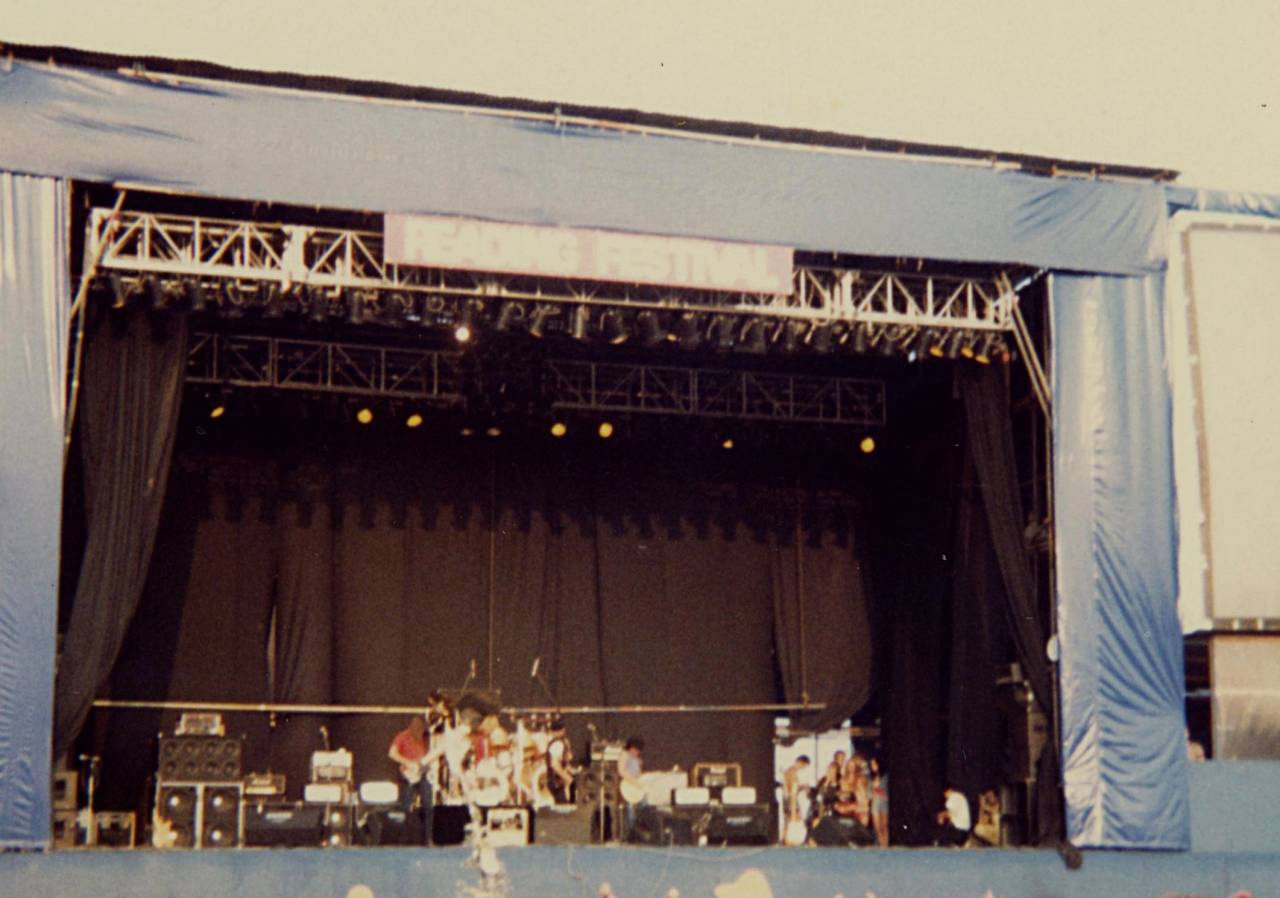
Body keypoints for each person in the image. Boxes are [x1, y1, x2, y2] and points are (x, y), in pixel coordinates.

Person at [388, 715, 437, 845]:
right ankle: (403, 839)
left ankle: (428, 838)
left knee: (428, 805)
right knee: (405, 806)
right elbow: (392, 753)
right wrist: (408, 763)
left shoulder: (427, 738)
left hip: (423, 773)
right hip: (407, 774)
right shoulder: (402, 736)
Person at [618, 736, 645, 839]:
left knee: (643, 805)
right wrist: (632, 780)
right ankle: (630, 833)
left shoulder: (637, 758)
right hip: (627, 785)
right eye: (635, 749)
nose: (636, 752)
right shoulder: (625, 755)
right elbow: (621, 771)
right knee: (629, 809)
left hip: (637, 786)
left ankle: (640, 831)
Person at [781, 755, 811, 844]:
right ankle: (789, 839)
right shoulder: (792, 772)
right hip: (791, 799)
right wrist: (803, 786)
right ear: (801, 763)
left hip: (787, 798)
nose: (803, 768)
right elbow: (792, 788)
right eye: (804, 766)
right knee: (794, 817)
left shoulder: (789, 771)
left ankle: (784, 838)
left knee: (788, 819)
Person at [545, 717, 575, 804]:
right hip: (557, 782)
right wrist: (567, 778)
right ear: (562, 730)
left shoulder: (554, 743)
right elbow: (554, 764)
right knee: (563, 807)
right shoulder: (558, 744)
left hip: (556, 780)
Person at [868, 755, 889, 847]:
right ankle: (880, 844)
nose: (873, 766)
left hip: (884, 803)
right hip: (875, 803)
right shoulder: (870, 778)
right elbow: (869, 792)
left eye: (874, 764)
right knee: (877, 828)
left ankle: (885, 845)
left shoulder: (885, 777)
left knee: (884, 826)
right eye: (871, 764)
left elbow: (885, 792)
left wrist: (877, 790)